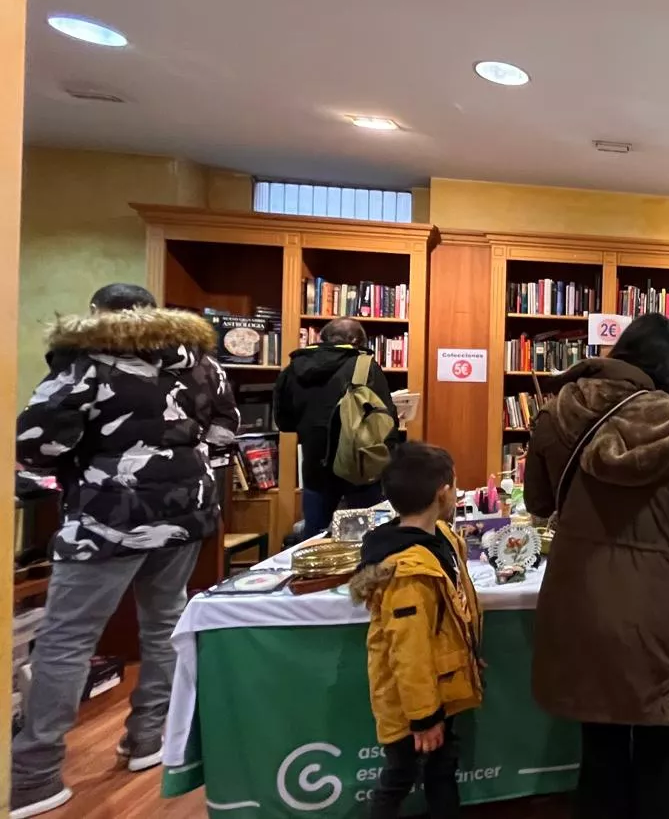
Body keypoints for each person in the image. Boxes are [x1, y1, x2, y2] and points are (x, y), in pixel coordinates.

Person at [12, 283, 239, 819]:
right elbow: (229, 432)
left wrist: (88, 464)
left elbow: (36, 443)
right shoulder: (203, 362)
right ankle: (149, 739)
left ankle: (34, 776)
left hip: (105, 515)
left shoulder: (87, 362)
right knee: (165, 625)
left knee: (66, 638)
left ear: (97, 314)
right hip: (186, 510)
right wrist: (184, 456)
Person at [525, 313, 669, 819]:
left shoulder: (556, 410)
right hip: (656, 605)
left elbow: (541, 502)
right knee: (659, 746)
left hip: (580, 598)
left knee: (599, 746)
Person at [349, 442, 482, 819]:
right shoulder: (408, 572)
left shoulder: (440, 540)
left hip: (440, 686)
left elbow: (454, 613)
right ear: (443, 493)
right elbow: (409, 650)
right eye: (455, 487)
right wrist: (423, 717)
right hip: (414, 704)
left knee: (442, 768)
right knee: (400, 775)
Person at [274, 317, 398, 542]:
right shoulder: (363, 365)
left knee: (315, 540)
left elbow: (284, 422)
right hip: (359, 466)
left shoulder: (294, 367)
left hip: (314, 466)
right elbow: (387, 421)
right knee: (369, 539)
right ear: (354, 340)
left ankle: (317, 577)